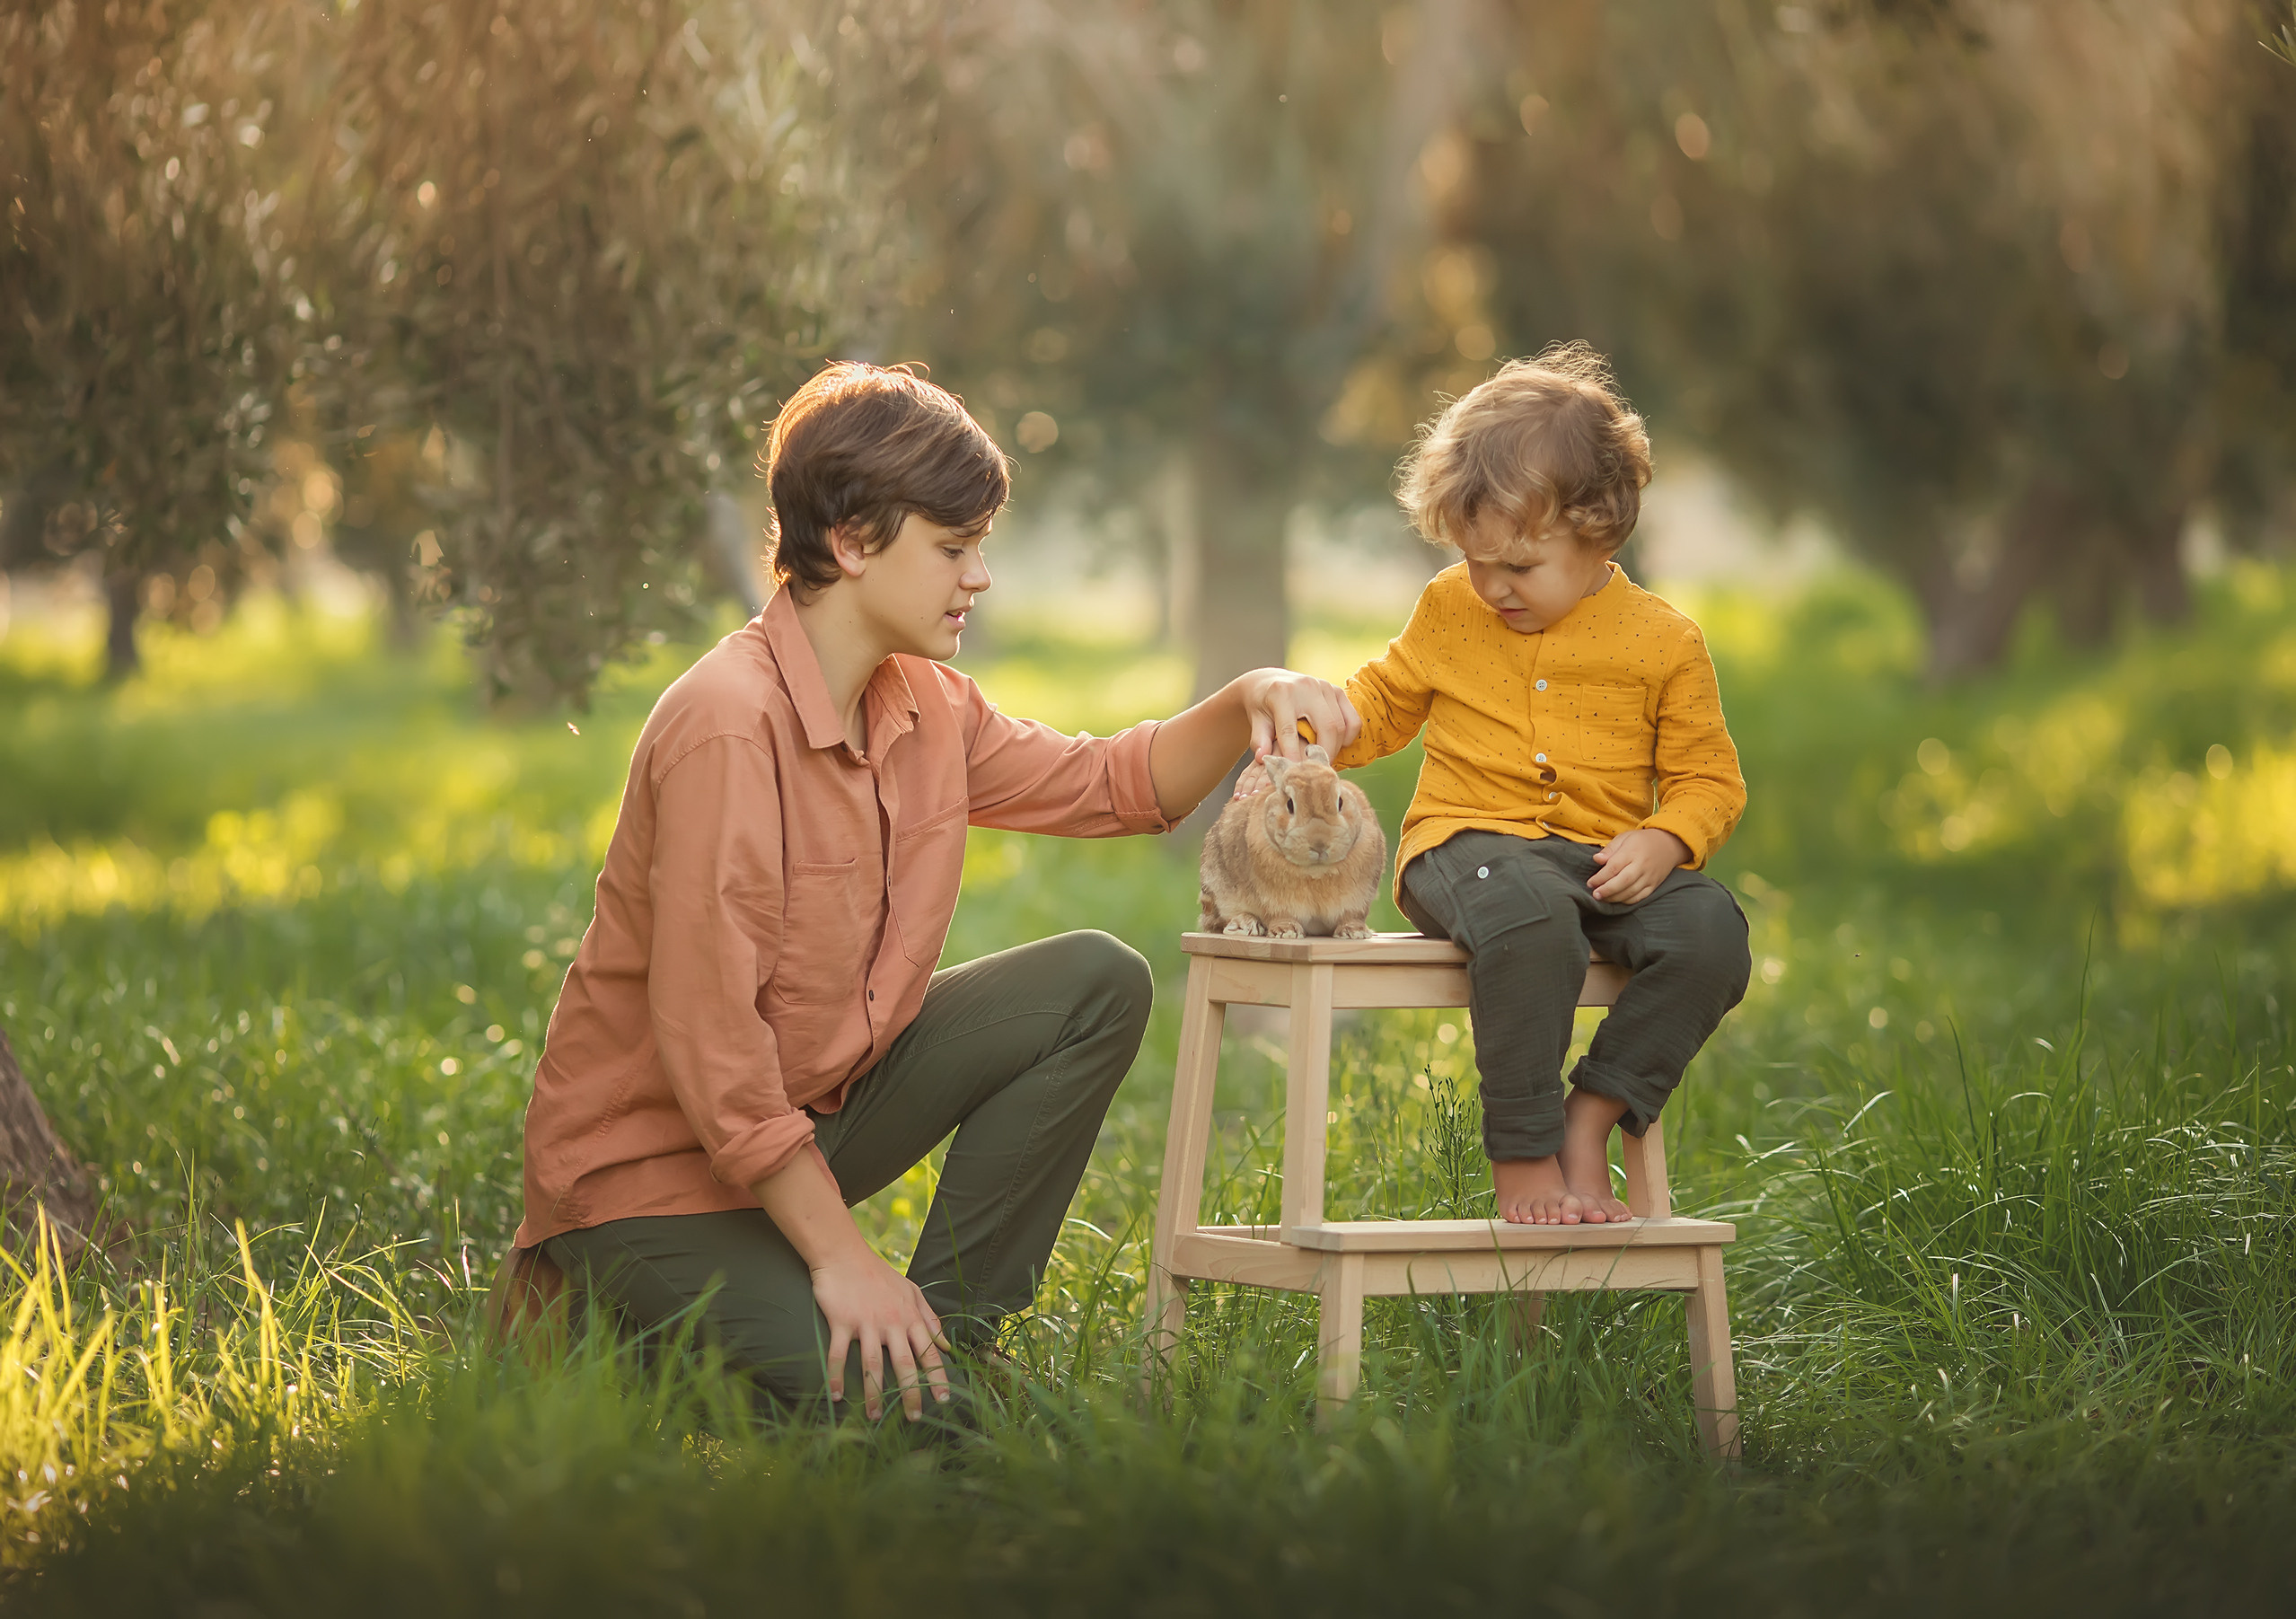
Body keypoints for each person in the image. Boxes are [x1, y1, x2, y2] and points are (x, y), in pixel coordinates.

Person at [495, 363, 1359, 1421]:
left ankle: (949, 1343)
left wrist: (1246, 697)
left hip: (803, 1131)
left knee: (1095, 981)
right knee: (928, 1435)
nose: (980, 576)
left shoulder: (925, 706)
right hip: (648, 1185)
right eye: (953, 547)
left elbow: (1114, 785)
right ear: (853, 542)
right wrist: (846, 1261)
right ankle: (729, 1338)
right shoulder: (725, 725)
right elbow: (717, 1058)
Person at [1319, 342, 1750, 1225]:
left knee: (1712, 931)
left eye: (1518, 567)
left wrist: (1664, 839)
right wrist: (1319, 725)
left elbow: (1708, 780)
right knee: (1529, 918)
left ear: (1601, 531)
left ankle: (1588, 1117)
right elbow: (1385, 702)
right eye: (1477, 562)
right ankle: (1521, 1154)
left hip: (1603, 866)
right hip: (1465, 848)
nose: (1492, 587)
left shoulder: (1664, 642)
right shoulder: (1450, 606)